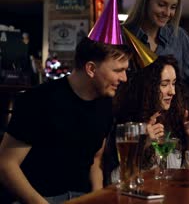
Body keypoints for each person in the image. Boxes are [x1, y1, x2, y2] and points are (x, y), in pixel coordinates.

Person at [0, 37, 130, 203]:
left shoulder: (106, 104)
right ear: (91, 69)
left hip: (82, 197)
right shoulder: (38, 100)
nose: (124, 78)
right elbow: (6, 164)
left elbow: (95, 160)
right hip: (36, 198)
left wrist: (97, 197)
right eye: (118, 70)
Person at [112, 55, 189, 171]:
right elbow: (116, 179)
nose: (173, 92)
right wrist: (143, 145)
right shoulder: (129, 125)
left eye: (174, 83)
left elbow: (186, 179)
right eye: (164, 84)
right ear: (148, 87)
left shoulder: (176, 121)